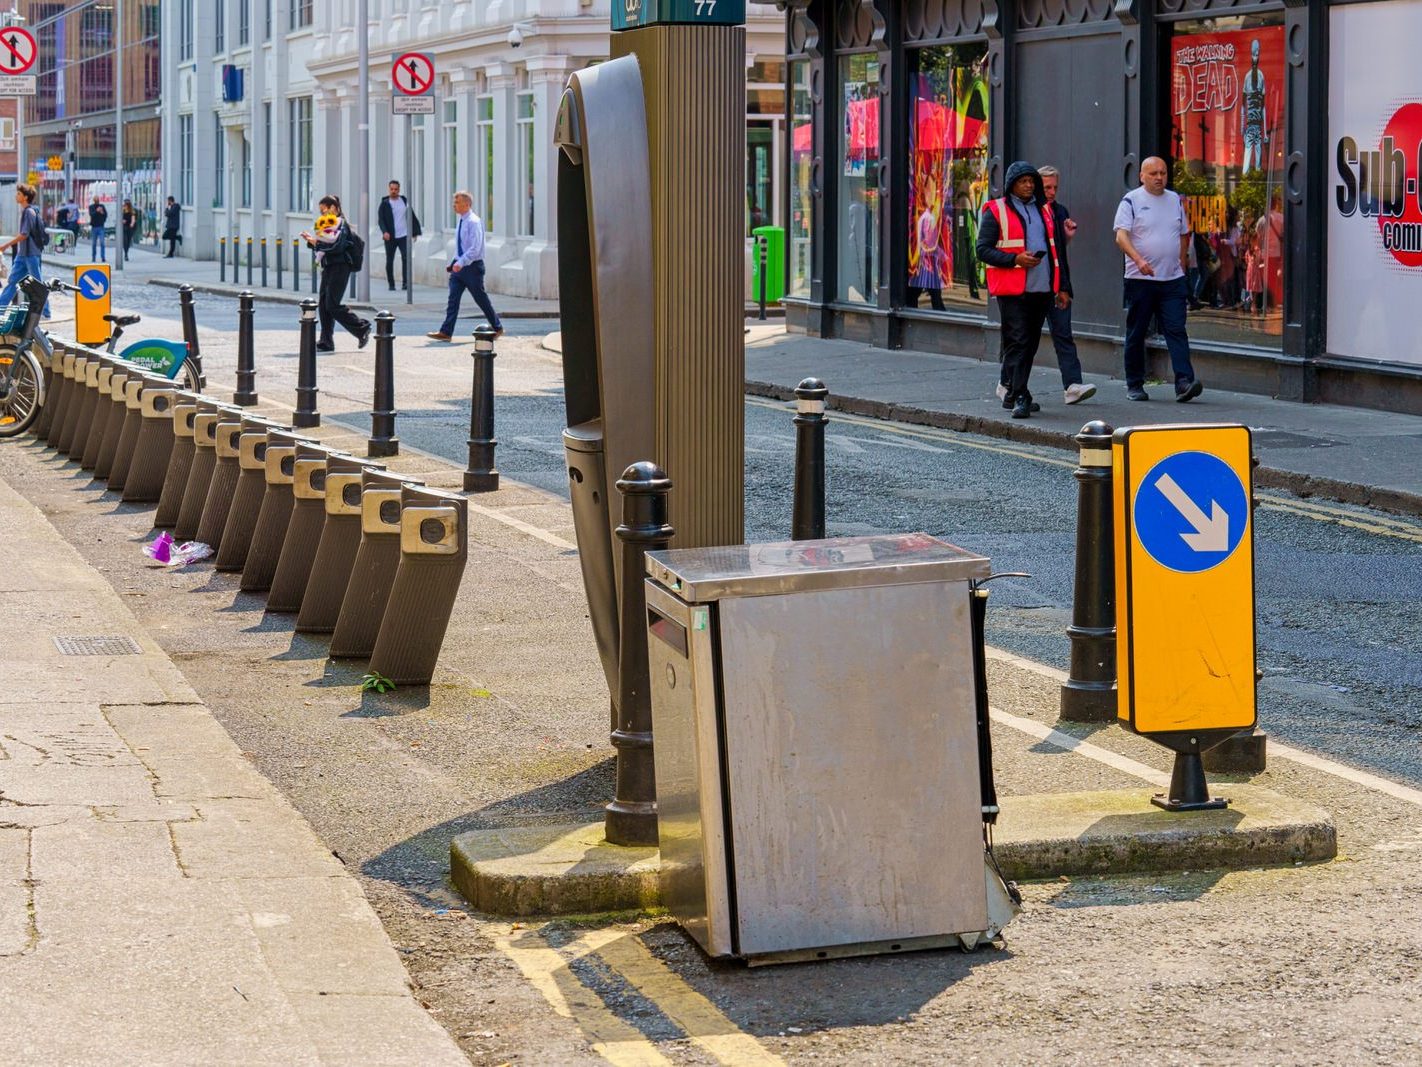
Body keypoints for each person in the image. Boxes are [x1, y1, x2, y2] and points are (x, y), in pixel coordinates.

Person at [975, 160, 1066, 419]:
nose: (1028, 185)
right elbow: (982, 249)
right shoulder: (996, 210)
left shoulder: (1044, 211)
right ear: (1011, 185)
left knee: (1030, 344)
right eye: (1022, 181)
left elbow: (1056, 250)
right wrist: (1015, 259)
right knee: (1018, 341)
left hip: (1042, 288)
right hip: (1012, 289)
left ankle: (1012, 392)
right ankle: (1021, 394)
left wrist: (1062, 287)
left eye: (1031, 181)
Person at [1113, 156, 1202, 402]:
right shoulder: (1131, 201)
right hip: (1140, 280)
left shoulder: (1174, 200)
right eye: (1153, 173)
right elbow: (1121, 237)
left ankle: (1184, 382)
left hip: (1172, 280)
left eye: (1162, 173)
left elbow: (1184, 233)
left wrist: (1182, 264)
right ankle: (1135, 383)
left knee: (1176, 329)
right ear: (1142, 176)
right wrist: (1139, 261)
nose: (1159, 177)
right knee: (1137, 331)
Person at [1038, 165, 1095, 405]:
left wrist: (1067, 236)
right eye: (1047, 187)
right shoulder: (1030, 212)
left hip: (1058, 284)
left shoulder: (1060, 211)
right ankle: (1008, 383)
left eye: (1055, 187)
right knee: (1024, 340)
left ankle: (1072, 386)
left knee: (1064, 335)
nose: (1051, 192)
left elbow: (1058, 252)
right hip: (1034, 286)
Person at [426, 190, 503, 341]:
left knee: (480, 298)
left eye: (457, 202)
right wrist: (455, 262)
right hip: (460, 267)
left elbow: (475, 248)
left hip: (473, 268)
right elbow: (461, 245)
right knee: (453, 299)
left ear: (467, 204)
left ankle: (497, 327)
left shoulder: (473, 222)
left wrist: (461, 262)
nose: (454, 205)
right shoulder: (462, 220)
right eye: (454, 202)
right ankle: (446, 332)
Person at [300, 195, 371, 353]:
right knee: (324, 305)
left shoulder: (341, 225)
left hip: (340, 267)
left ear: (333, 208)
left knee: (332, 304)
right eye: (320, 212)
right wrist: (314, 241)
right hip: (329, 267)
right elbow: (327, 246)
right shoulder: (329, 225)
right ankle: (326, 341)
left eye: (323, 210)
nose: (322, 214)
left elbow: (337, 248)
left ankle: (361, 327)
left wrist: (316, 243)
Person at [0, 184, 51, 319]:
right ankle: (0, 310)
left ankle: (46, 312)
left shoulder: (28, 212)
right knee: (12, 282)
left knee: (38, 284)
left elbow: (24, 234)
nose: (16, 196)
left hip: (30, 255)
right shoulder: (29, 211)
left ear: (25, 197)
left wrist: (6, 245)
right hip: (23, 255)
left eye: (18, 194)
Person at [377, 180, 421, 292]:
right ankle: (391, 284)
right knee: (390, 260)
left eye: (396, 189)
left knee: (406, 258)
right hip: (390, 236)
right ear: (389, 189)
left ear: (399, 190)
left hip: (404, 235)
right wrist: (385, 232)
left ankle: (405, 283)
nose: (393, 191)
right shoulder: (385, 203)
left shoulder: (404, 201)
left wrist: (415, 232)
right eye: (391, 189)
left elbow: (411, 216)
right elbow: (381, 220)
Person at [88, 196, 108, 261]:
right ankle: (93, 257)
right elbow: (91, 215)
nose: (97, 201)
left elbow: (105, 215)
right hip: (94, 227)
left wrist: (102, 212)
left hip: (101, 226)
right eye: (96, 200)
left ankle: (103, 257)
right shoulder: (91, 207)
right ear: (94, 200)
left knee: (102, 242)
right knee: (94, 243)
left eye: (98, 200)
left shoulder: (102, 206)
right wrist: (97, 211)